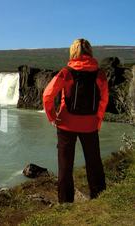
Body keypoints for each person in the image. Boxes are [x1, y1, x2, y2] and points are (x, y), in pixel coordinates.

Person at [43, 38, 109, 203]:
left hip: (66, 124)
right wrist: (98, 120)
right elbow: (104, 100)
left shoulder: (66, 72)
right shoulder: (99, 73)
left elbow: (47, 95)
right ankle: (99, 197)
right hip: (90, 125)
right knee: (94, 162)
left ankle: (65, 202)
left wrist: (52, 116)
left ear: (73, 52)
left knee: (65, 165)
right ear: (90, 52)